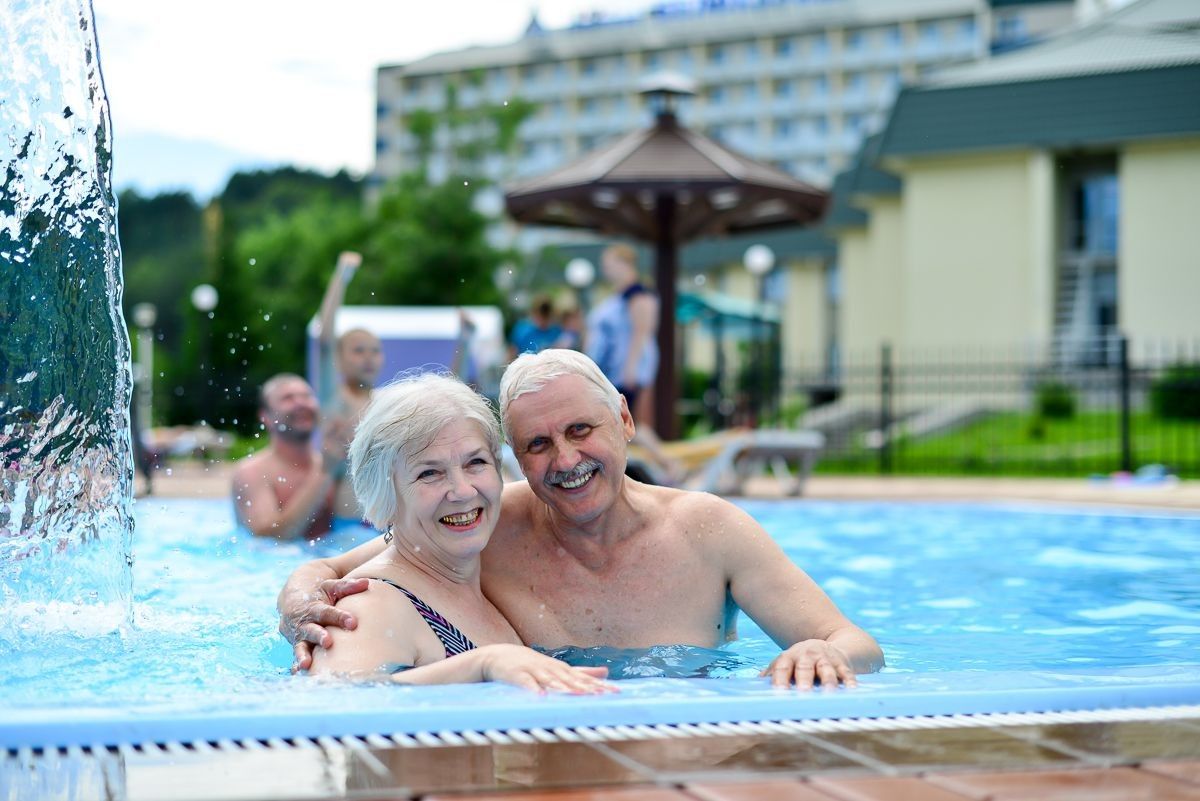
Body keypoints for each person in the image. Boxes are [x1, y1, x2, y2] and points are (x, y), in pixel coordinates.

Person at [278, 350, 884, 689]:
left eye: (580, 430)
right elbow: (343, 571)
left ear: (624, 420)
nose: (566, 461)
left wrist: (821, 652)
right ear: (517, 460)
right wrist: (300, 600)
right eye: (538, 444)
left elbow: (858, 644)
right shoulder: (489, 522)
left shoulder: (709, 531)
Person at [307, 371, 614, 693]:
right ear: (383, 495)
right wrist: (480, 665)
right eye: (430, 473)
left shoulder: (487, 588)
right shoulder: (372, 605)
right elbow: (334, 699)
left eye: (475, 463)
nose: (463, 491)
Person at [586, 243, 679, 482]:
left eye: (609, 265)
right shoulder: (621, 295)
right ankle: (662, 466)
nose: (606, 270)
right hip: (614, 370)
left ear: (624, 264)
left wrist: (631, 368)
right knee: (621, 422)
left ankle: (668, 465)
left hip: (626, 371)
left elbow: (642, 332)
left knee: (625, 422)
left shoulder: (638, 294)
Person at [315, 251, 384, 523]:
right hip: (346, 527)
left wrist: (464, 339)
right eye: (358, 350)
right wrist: (341, 277)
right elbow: (324, 341)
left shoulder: (385, 403)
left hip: (382, 528)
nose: (368, 357)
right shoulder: (335, 399)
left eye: (375, 351)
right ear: (339, 360)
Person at [232, 374, 338, 540]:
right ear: (265, 417)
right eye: (288, 398)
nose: (301, 403)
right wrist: (324, 471)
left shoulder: (334, 464)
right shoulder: (251, 472)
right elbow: (271, 538)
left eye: (307, 396)